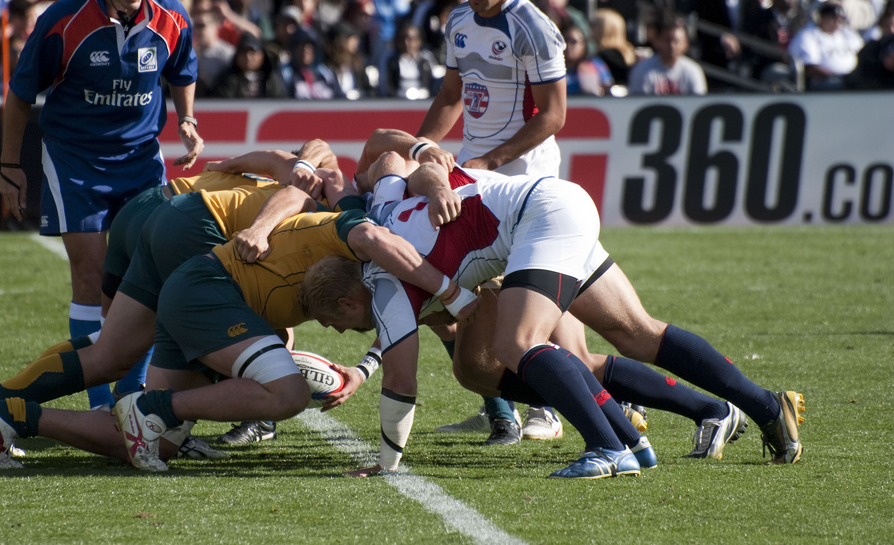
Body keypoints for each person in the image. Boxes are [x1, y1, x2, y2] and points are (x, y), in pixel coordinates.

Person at [302, 158, 806, 477]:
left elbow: (402, 381)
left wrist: (387, 463)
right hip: (553, 201)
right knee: (636, 334)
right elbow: (391, 163)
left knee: (515, 346)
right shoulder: (381, 209)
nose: (335, 331)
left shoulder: (383, 282)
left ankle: (609, 448)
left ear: (348, 300)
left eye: (331, 322)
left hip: (536, 218)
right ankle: (764, 406)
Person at [0, 172, 460, 471]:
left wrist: (360, 370)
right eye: (350, 323)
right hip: (202, 274)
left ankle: (12, 416)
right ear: (352, 298)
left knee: (160, 440)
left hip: (197, 289)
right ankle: (148, 405)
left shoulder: (351, 272)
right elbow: (332, 200)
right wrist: (454, 293)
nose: (339, 331)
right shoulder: (351, 226)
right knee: (286, 394)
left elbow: (394, 322)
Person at [0, 155, 328, 465]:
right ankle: (18, 417)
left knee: (109, 352)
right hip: (195, 227)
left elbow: (307, 153)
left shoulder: (286, 170)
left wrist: (266, 164)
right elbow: (307, 180)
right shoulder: (337, 206)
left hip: (157, 207)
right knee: (158, 430)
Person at [0, 0, 203, 413]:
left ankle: (131, 397)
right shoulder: (62, 21)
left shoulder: (172, 16)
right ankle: (98, 406)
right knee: (90, 276)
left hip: (140, 160)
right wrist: (9, 165)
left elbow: (183, 73)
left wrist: (188, 119)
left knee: (139, 280)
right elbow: (21, 95)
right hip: (75, 160)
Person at [385, 0, 568, 446]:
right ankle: (500, 406)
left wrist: (494, 159)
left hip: (525, 175)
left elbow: (553, 115)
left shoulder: (533, 27)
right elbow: (450, 97)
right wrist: (415, 154)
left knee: (522, 298)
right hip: (473, 172)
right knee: (447, 289)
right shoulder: (459, 20)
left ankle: (547, 406)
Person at [788, 2, 864, 91]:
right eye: (833, 19)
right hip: (821, 81)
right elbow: (809, 68)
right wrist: (838, 77)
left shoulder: (845, 32)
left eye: (840, 20)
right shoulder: (808, 35)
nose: (836, 24)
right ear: (821, 17)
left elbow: (861, 50)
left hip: (849, 78)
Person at [627, 15, 708, 95]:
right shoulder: (642, 70)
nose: (672, 46)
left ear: (686, 43)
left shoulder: (693, 71)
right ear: (656, 41)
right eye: (667, 40)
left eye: (676, 41)